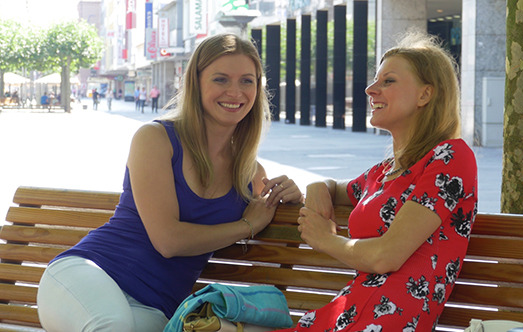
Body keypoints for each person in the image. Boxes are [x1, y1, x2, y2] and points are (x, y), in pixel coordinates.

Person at [36, 33, 304, 332]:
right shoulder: (156, 139)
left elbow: (279, 230)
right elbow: (168, 241)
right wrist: (246, 226)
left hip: (155, 308)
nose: (235, 92)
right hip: (90, 275)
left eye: (247, 81)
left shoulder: (250, 173)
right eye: (220, 79)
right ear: (196, 83)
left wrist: (291, 196)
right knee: (112, 326)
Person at [276, 32, 478, 331]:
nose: (371, 89)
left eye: (388, 81)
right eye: (375, 80)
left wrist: (326, 239)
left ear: (425, 94)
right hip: (351, 312)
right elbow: (336, 187)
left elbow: (387, 257)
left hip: (387, 322)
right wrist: (318, 186)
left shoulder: (450, 157)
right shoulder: (382, 173)